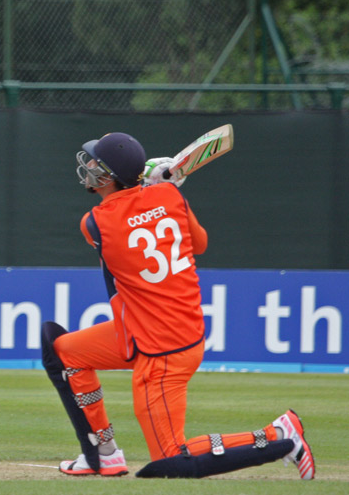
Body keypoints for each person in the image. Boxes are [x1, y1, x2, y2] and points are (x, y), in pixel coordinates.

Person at [41, 132, 315, 479]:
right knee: (65, 352)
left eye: (96, 162)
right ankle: (103, 452)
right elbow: (199, 243)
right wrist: (160, 188)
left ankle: (277, 435)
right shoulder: (169, 195)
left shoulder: (94, 223)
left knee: (170, 460)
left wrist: (149, 186)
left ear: (109, 176)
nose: (89, 166)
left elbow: (126, 215)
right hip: (151, 328)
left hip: (164, 349)